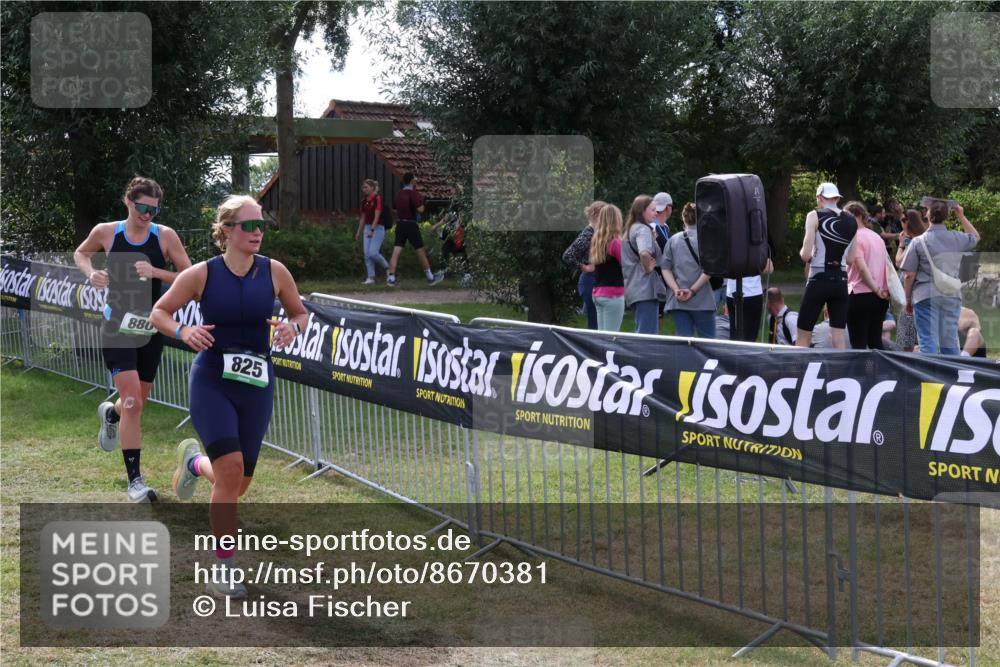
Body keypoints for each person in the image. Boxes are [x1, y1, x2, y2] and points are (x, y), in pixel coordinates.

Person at [150, 194, 308, 598]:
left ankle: (194, 463)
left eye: (262, 226)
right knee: (232, 469)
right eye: (249, 226)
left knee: (238, 484)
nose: (258, 233)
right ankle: (224, 566)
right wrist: (184, 332)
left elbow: (300, 313)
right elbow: (160, 313)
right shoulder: (202, 275)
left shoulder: (275, 272)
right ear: (226, 231)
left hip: (257, 384)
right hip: (212, 380)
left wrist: (294, 327)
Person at [73, 176, 192, 502]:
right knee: (133, 403)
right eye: (142, 208)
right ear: (128, 202)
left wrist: (157, 273)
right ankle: (135, 481)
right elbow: (81, 254)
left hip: (150, 331)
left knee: (134, 404)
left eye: (154, 210)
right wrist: (91, 273)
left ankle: (111, 415)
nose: (147, 215)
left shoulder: (165, 236)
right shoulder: (107, 232)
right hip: (117, 328)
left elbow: (189, 275)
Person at [900, 201, 979, 355]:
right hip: (951, 294)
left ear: (927, 215)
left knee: (928, 341)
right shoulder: (957, 237)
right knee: (950, 340)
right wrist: (961, 216)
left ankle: (930, 378)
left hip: (925, 295)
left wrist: (908, 300)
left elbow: (909, 275)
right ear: (946, 217)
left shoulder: (918, 241)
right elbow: (975, 236)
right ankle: (950, 376)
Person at [796, 182, 857, 349]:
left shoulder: (814, 215)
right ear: (837, 198)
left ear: (819, 198)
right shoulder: (852, 220)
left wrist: (809, 253)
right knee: (838, 336)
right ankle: (841, 374)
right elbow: (851, 259)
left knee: (803, 334)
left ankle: (799, 373)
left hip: (818, 279)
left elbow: (805, 255)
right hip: (841, 281)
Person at [661, 202, 715, 339]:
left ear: (683, 218)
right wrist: (692, 291)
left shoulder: (673, 240)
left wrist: (675, 289)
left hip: (678, 300)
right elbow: (709, 270)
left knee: (684, 341)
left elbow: (665, 268)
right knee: (708, 342)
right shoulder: (708, 240)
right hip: (703, 299)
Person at [844, 200, 891, 349]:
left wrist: (875, 288)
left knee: (858, 343)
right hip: (881, 296)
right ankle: (877, 371)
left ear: (854, 216)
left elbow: (862, 269)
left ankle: (860, 372)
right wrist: (879, 290)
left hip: (860, 294)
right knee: (875, 341)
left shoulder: (854, 237)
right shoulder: (877, 237)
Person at [386, 173, 443, 286]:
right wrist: (424, 204)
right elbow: (420, 209)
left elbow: (395, 209)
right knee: (420, 251)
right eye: (415, 179)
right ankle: (430, 277)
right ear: (412, 181)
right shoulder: (413, 193)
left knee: (396, 251)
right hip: (411, 225)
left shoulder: (399, 194)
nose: (416, 181)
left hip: (400, 224)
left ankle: (391, 278)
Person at [621, 195, 666, 334]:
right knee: (647, 334)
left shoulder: (630, 229)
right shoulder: (643, 229)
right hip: (645, 289)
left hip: (634, 287)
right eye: (652, 210)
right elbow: (644, 252)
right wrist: (648, 268)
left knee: (641, 330)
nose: (656, 213)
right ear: (642, 211)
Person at [561, 201, 606, 330]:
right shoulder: (588, 234)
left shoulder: (597, 233)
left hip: (596, 281)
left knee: (598, 322)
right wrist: (584, 267)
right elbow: (568, 255)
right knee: (595, 323)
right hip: (589, 281)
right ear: (597, 214)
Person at [893, 209, 926, 351]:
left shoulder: (915, 241)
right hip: (918, 291)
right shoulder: (924, 238)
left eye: (903, 221)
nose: (902, 224)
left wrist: (901, 245)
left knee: (908, 338)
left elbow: (899, 262)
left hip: (912, 291)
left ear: (908, 223)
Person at [589, 203, 626, 331]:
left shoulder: (597, 241)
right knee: (611, 337)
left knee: (602, 337)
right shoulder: (615, 243)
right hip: (613, 294)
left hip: (598, 293)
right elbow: (627, 265)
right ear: (617, 220)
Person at [355, 179, 390, 285]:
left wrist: (372, 230)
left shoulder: (377, 198)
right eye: (363, 187)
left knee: (373, 253)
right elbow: (363, 217)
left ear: (372, 188)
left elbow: (377, 215)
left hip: (378, 228)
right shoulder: (364, 201)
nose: (364, 189)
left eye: (366, 187)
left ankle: (389, 269)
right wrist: (358, 232)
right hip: (367, 227)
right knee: (366, 254)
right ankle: (371, 277)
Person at [431, 205, 470, 284]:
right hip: (451, 240)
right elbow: (442, 234)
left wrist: (459, 220)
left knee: (462, 255)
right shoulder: (447, 225)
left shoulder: (457, 218)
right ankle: (442, 271)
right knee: (444, 251)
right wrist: (436, 227)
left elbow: (460, 224)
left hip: (458, 239)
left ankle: (467, 274)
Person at [651, 192, 673, 319]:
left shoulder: (665, 226)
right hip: (656, 272)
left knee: (660, 311)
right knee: (657, 311)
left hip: (663, 272)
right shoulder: (652, 226)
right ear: (668, 208)